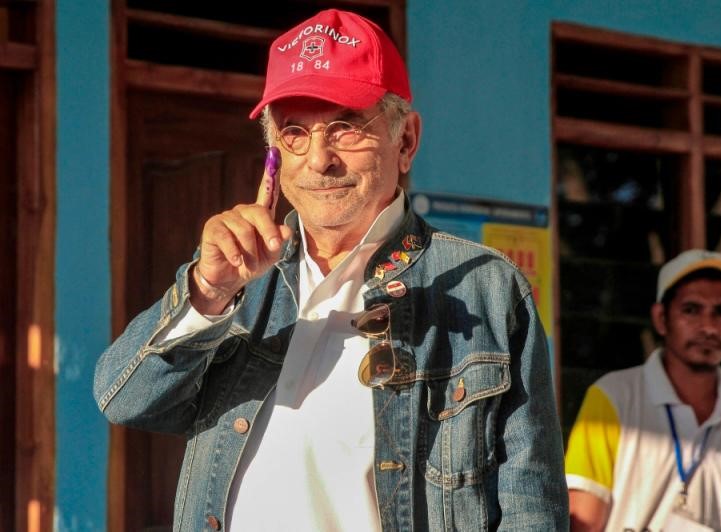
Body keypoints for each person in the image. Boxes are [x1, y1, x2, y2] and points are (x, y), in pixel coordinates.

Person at [94, 9, 568, 531]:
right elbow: (127, 402)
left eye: (346, 127)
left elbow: (531, 509)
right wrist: (207, 293)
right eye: (294, 132)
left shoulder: (487, 287)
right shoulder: (238, 278)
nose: (319, 160)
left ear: (406, 140)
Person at [565, 249, 721, 532]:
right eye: (691, 310)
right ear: (661, 318)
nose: (708, 327)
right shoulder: (613, 398)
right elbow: (583, 523)